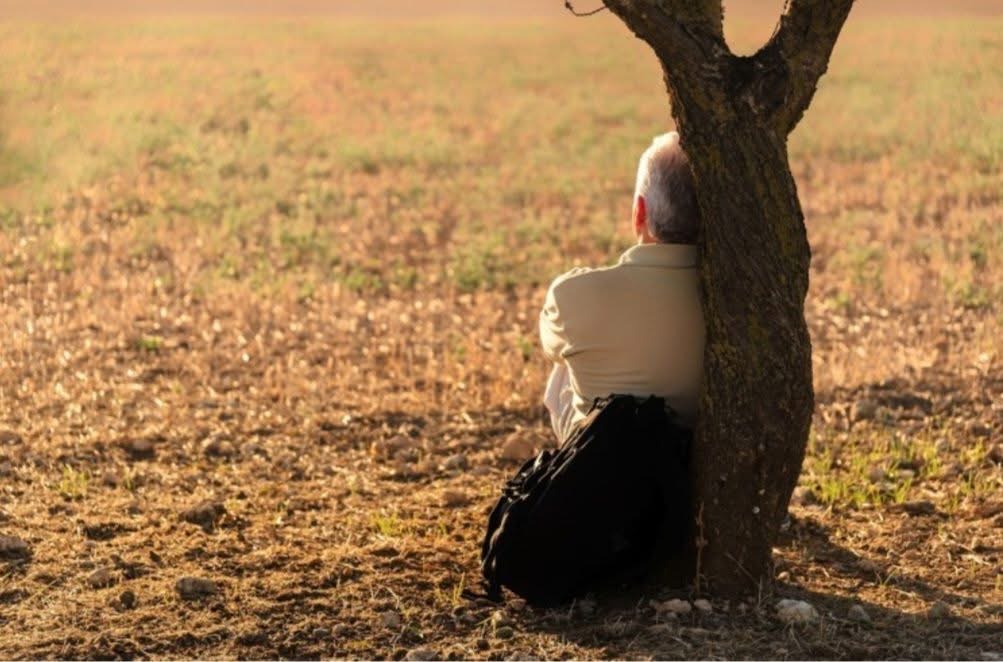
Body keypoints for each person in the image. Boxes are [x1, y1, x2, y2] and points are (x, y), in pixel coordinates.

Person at [540, 132, 705, 443]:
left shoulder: (572, 295)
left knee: (564, 366)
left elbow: (549, 346)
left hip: (601, 464)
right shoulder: (734, 300)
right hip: (690, 463)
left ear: (639, 211)